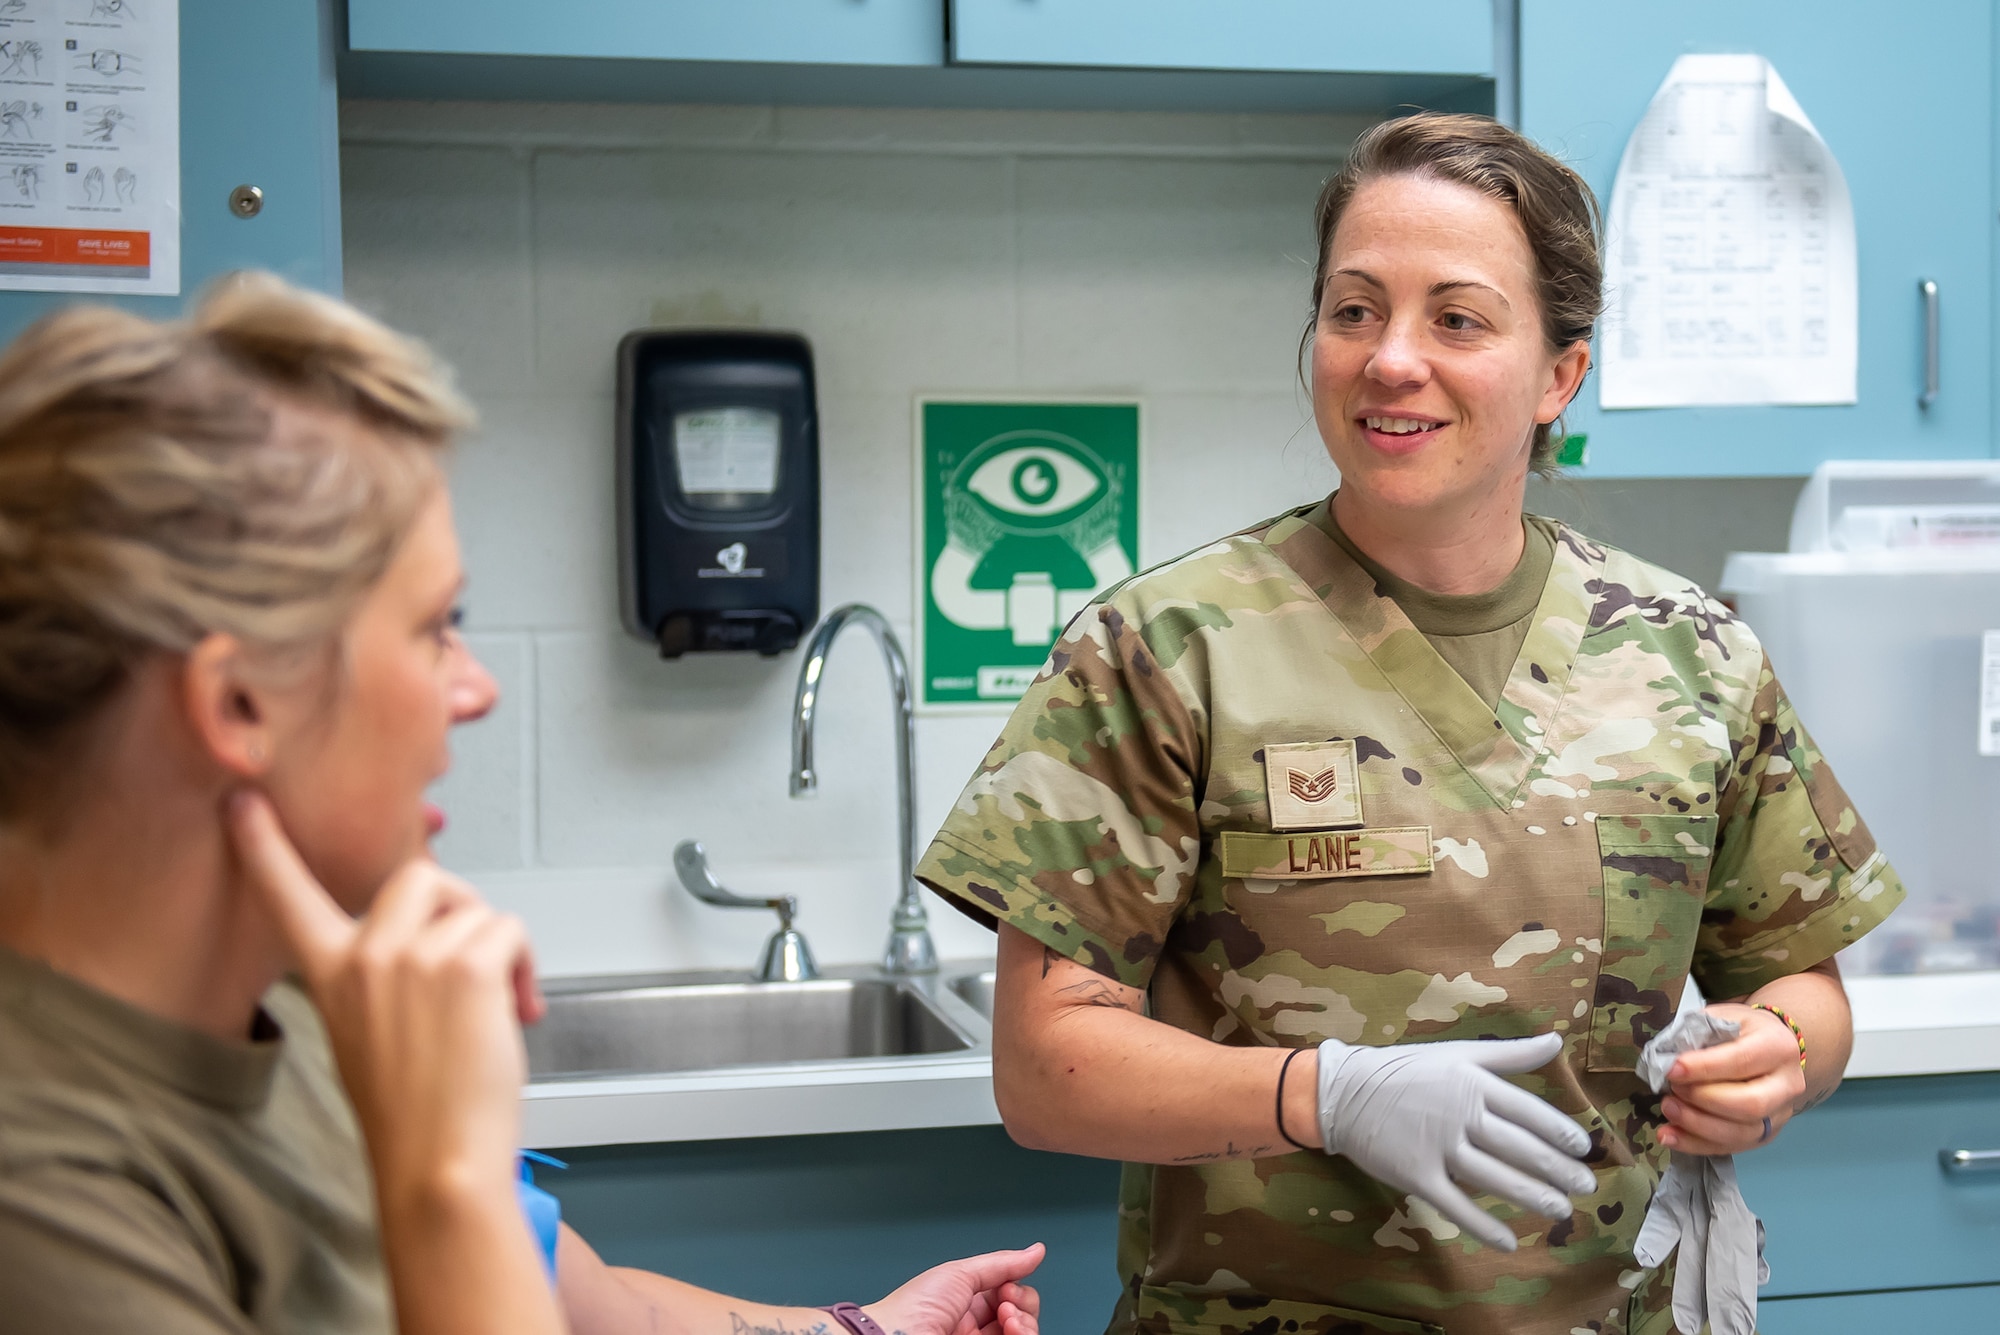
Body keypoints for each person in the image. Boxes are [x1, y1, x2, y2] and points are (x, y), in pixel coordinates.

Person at [915, 112, 1903, 1335]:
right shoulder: (1163, 652)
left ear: (1558, 372)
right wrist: (1323, 1095)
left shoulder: (1689, 652)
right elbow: (1045, 1073)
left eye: (1455, 317)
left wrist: (1775, 1064)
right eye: (1351, 310)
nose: (1389, 359)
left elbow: (1803, 984)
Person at [0, 275, 1045, 1335]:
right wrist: (441, 1178)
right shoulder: (43, 1201)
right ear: (235, 703)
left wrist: (858, 1332)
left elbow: (593, 1311)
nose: (474, 689)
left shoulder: (309, 1016)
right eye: (433, 628)